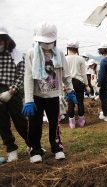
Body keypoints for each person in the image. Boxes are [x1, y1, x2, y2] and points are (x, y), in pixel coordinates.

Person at [22, 21, 77, 163]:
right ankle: (35, 149)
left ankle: (57, 147)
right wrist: (28, 100)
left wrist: (70, 91)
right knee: (35, 123)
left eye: (49, 41)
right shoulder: (32, 53)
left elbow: (65, 73)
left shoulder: (58, 54)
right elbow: (28, 77)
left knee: (54, 122)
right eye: (43, 42)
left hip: (53, 94)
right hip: (36, 95)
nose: (46, 45)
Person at [0, 25, 29, 162]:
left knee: (20, 119)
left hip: (13, 91)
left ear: (7, 40)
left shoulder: (16, 55)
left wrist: (11, 91)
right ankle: (11, 148)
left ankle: (32, 144)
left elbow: (21, 75)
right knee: (2, 122)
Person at [65, 39, 90, 128]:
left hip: (68, 82)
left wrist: (63, 84)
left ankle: (72, 123)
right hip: (79, 82)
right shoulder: (80, 59)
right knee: (80, 101)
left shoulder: (65, 58)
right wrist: (87, 85)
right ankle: (81, 122)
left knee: (70, 102)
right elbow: (83, 73)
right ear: (77, 48)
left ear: (68, 48)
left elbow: (62, 73)